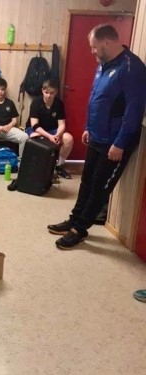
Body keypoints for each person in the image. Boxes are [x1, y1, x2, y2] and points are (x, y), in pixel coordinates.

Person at [48, 23, 146, 249]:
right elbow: (96, 98)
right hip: (96, 135)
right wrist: (88, 128)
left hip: (115, 142)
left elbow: (134, 110)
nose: (92, 51)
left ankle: (80, 229)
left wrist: (120, 143)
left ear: (107, 42)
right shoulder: (103, 64)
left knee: (100, 186)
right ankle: (74, 219)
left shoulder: (132, 68)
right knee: (87, 180)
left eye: (93, 47)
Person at [26, 79, 74, 179]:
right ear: (42, 91)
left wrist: (57, 135)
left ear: (56, 92)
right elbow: (34, 125)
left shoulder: (59, 104)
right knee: (37, 138)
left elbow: (62, 124)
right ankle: (39, 168)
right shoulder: (36, 102)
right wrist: (49, 136)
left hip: (53, 130)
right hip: (36, 129)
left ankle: (59, 166)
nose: (48, 95)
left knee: (68, 139)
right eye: (46, 92)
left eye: (51, 93)